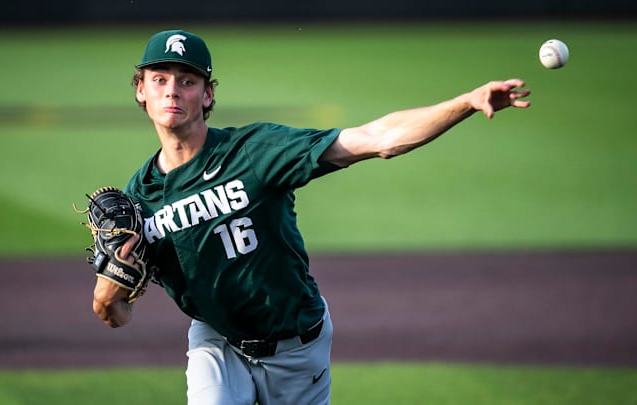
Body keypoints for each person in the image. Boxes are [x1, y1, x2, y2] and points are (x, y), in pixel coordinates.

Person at [91, 29, 531, 404]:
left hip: (297, 346)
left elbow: (376, 139)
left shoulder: (256, 152)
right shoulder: (138, 201)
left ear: (207, 95)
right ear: (141, 90)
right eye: (160, 78)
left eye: (187, 81)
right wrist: (107, 297)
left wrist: (467, 103)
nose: (172, 90)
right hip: (217, 343)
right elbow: (117, 316)